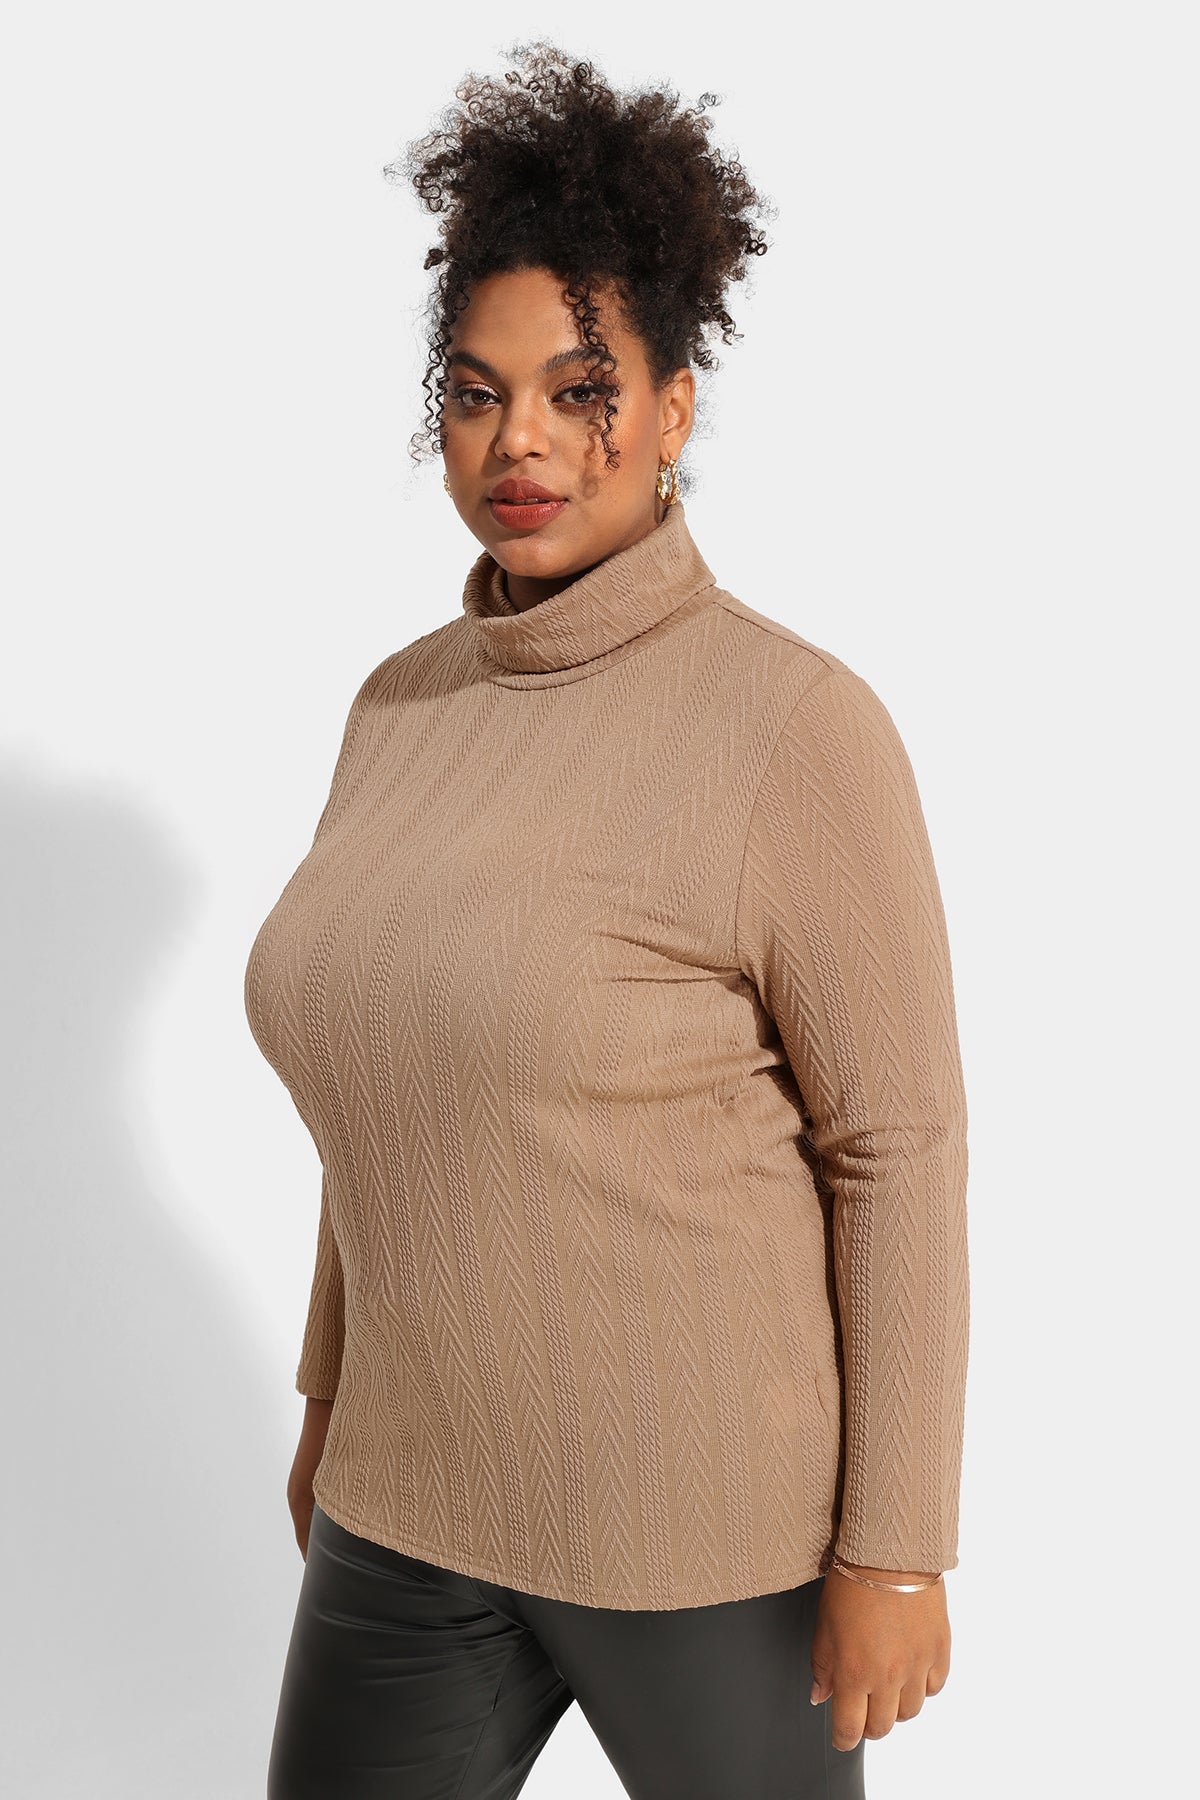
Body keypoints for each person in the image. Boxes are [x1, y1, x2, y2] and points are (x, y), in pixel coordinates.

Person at [244, 40, 969, 1800]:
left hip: (702, 1534)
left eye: (582, 391)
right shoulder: (399, 705)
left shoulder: (792, 726)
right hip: (407, 1506)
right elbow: (389, 1080)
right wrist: (331, 1396)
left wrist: (897, 1549)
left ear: (673, 408)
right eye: (477, 394)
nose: (525, 442)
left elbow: (898, 1148)